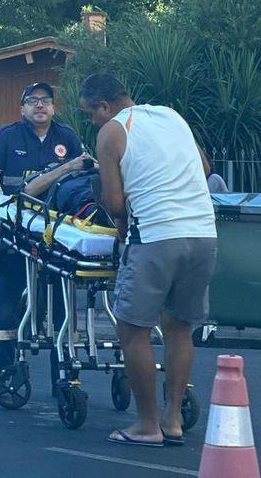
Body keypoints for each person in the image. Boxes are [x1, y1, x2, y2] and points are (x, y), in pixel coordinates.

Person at [78, 73, 217, 448]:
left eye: (91, 113)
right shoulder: (172, 116)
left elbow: (115, 203)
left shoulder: (111, 132)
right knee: (178, 328)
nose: (93, 120)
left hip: (156, 236)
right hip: (204, 234)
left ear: (104, 106)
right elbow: (204, 170)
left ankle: (147, 425)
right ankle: (172, 420)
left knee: (132, 329)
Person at [0, 82, 91, 399]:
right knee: (5, 308)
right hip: (15, 234)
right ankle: (0, 374)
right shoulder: (7, 137)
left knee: (61, 311)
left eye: (46, 101)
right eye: (33, 101)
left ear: (53, 107)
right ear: (22, 108)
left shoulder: (66, 138)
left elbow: (82, 178)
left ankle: (63, 378)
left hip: (58, 238)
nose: (40, 105)